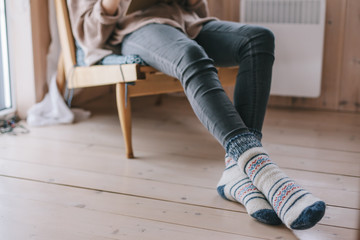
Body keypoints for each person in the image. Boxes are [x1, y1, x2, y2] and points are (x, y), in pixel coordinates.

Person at [68, 0, 326, 230]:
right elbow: (89, 35)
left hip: (186, 22)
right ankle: (262, 171)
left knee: (258, 39)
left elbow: (196, 7)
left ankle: (237, 170)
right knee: (190, 55)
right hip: (134, 29)